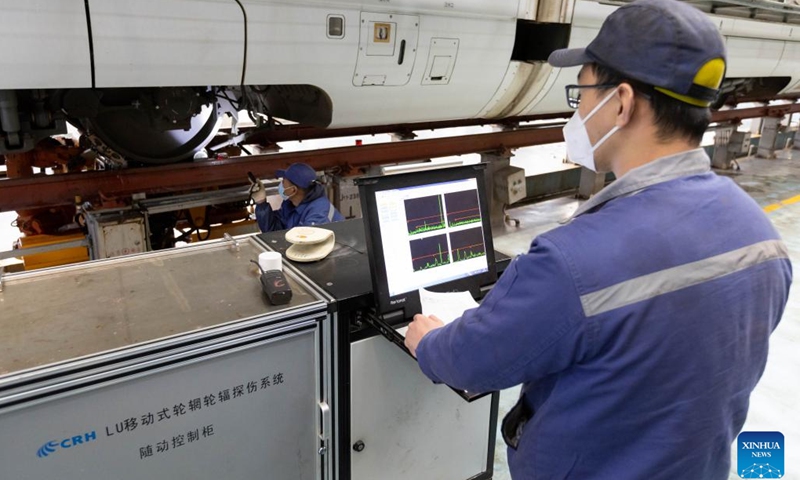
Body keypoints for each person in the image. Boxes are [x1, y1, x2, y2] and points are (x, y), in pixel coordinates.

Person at [403, 0, 792, 478]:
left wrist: (430, 343)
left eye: (582, 93)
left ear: (622, 103)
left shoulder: (574, 261)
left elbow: (472, 363)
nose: (580, 110)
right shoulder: (763, 237)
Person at [251, 163, 344, 232]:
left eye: (283, 181)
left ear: (293, 190)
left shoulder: (318, 214)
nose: (281, 185)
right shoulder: (291, 204)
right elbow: (272, 231)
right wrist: (261, 202)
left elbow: (306, 248)